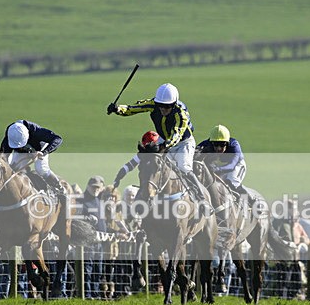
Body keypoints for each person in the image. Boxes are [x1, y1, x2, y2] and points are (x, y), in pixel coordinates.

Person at [107, 82, 211, 214]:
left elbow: (177, 135)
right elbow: (134, 108)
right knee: (152, 165)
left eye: (167, 107)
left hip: (183, 142)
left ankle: (202, 201)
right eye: (160, 105)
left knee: (184, 167)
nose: (163, 109)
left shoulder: (181, 114)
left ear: (174, 104)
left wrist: (164, 147)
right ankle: (145, 199)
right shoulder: (153, 104)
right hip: (163, 139)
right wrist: (117, 109)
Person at [0, 119, 64, 194]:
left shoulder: (36, 131)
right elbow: (4, 156)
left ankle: (58, 187)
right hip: (24, 151)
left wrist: (43, 152)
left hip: (40, 148)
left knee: (41, 169)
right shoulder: (11, 134)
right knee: (13, 169)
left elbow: (57, 139)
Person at [196, 124, 251, 200]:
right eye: (215, 144)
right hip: (217, 167)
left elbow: (232, 165)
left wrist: (217, 169)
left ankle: (253, 201)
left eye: (222, 144)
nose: (218, 148)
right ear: (211, 142)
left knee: (232, 183)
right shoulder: (206, 144)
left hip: (236, 166)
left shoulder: (234, 145)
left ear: (227, 143)